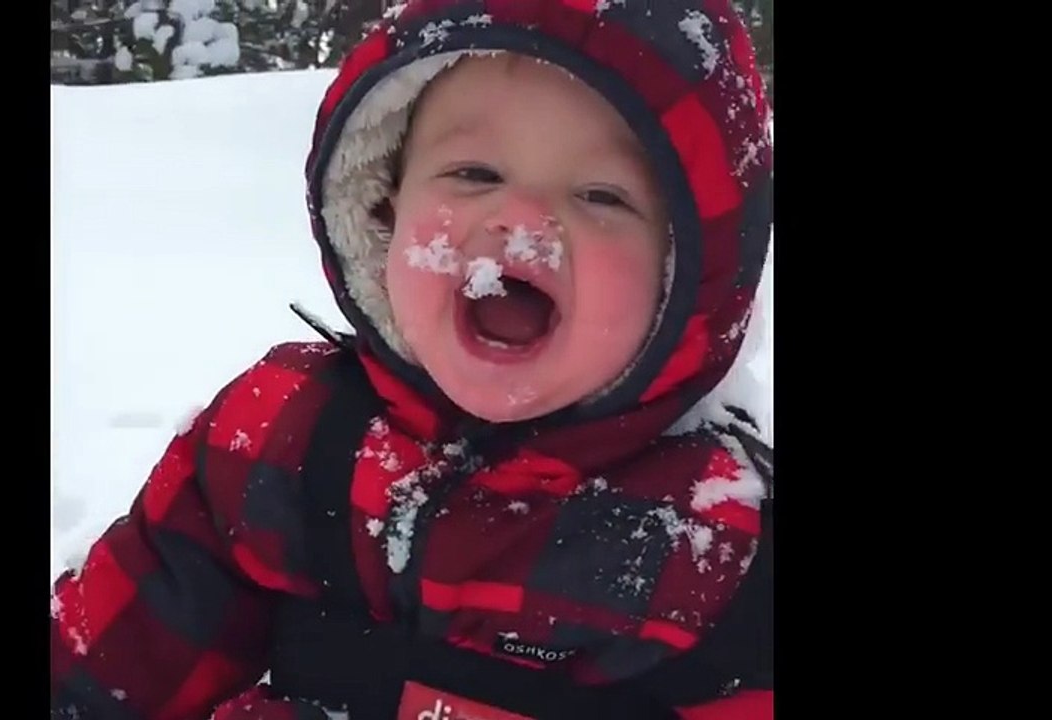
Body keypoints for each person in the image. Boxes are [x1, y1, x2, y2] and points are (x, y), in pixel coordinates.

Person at [51, 1, 774, 718]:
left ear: (691, 276)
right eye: (472, 173)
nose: (518, 222)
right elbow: (103, 670)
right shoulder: (278, 441)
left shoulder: (718, 552)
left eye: (600, 195)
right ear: (382, 210)